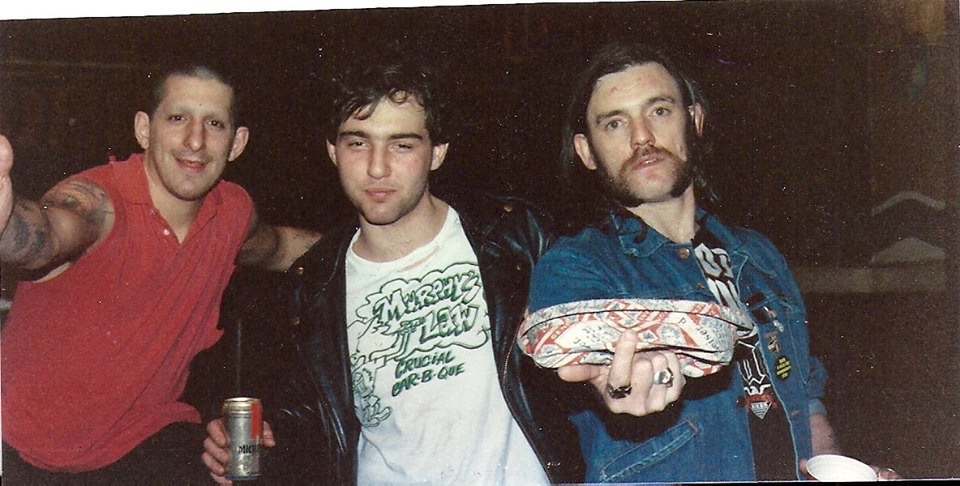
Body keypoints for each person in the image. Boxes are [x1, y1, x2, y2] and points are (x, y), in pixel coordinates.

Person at [525, 41, 898, 482]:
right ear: (587, 151)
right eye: (615, 123)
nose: (642, 137)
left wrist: (837, 468)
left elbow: (804, 396)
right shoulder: (574, 267)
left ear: (695, 121)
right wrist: (616, 381)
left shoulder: (758, 255)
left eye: (659, 111)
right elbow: (585, 361)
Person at [202, 57, 583, 484]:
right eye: (358, 143)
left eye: (402, 145)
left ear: (437, 152)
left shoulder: (515, 241)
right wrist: (260, 443)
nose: (377, 167)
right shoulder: (313, 290)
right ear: (333, 151)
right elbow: (309, 430)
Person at [0, 63, 321, 483]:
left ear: (237, 142)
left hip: (142, 442)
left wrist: (382, 242)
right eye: (177, 118)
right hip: (20, 449)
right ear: (144, 129)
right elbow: (46, 233)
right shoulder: (101, 201)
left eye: (214, 124)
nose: (195, 141)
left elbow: (281, 247)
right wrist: (5, 219)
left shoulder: (232, 212)